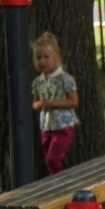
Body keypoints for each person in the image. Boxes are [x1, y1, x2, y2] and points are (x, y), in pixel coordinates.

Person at [31, 33, 79, 175]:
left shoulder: (65, 79)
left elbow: (74, 101)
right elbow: (34, 102)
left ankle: (59, 182)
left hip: (63, 126)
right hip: (46, 126)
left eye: (46, 57)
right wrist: (39, 104)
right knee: (48, 159)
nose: (42, 61)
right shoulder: (38, 82)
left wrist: (54, 103)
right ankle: (55, 180)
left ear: (56, 57)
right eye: (39, 58)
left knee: (53, 159)